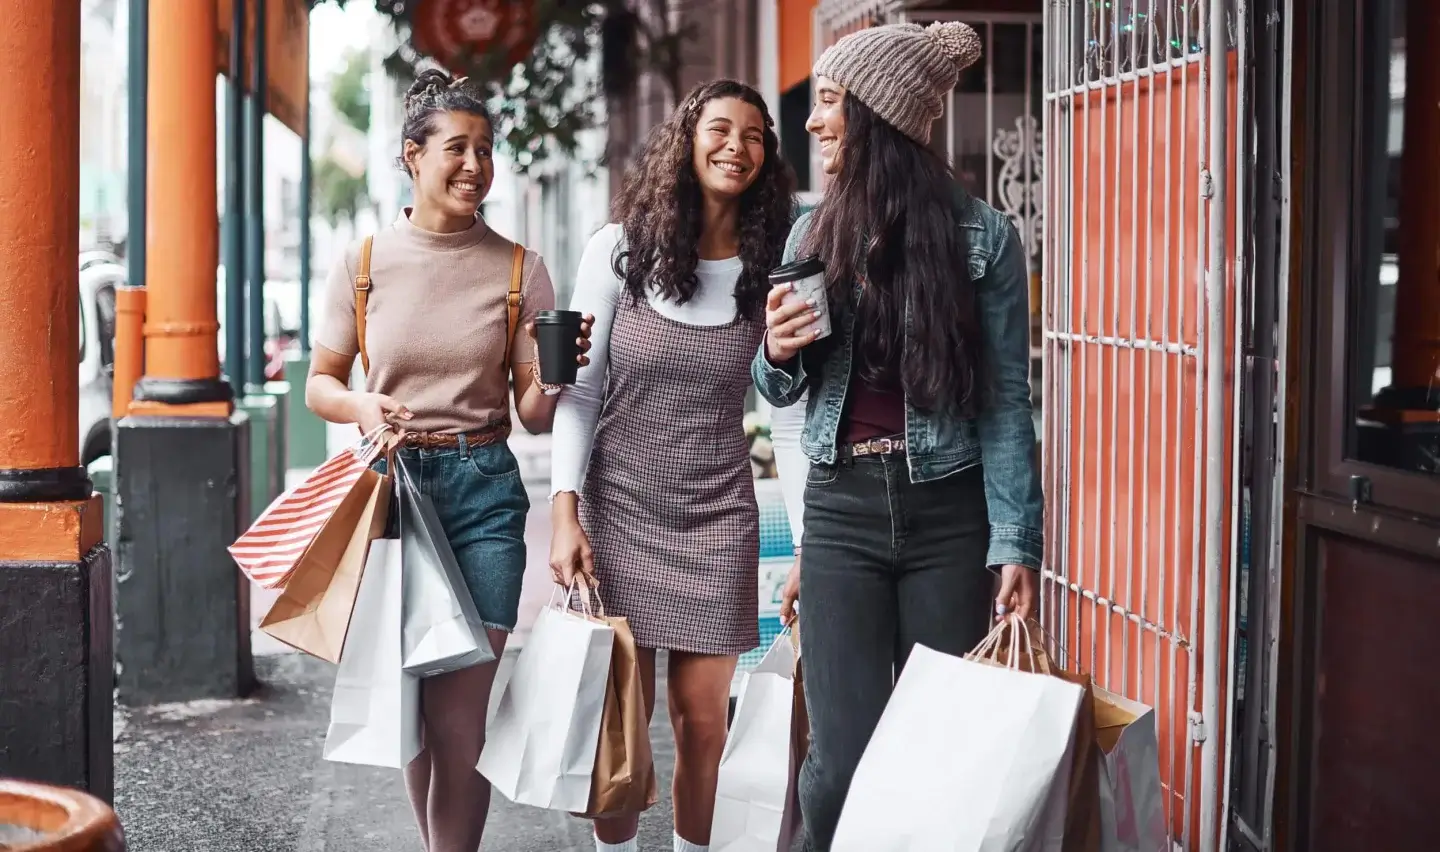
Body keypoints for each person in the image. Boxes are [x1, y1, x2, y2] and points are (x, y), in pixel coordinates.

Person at [752, 22, 1045, 850]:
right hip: (844, 512)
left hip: (947, 519)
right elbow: (781, 389)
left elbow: (1004, 404)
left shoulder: (985, 239)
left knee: (938, 748)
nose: (811, 121)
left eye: (831, 101)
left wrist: (1014, 544)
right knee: (841, 758)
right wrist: (774, 352)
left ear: (879, 114)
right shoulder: (813, 235)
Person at [306, 68, 591, 852]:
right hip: (393, 499)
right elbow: (319, 385)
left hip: (484, 495)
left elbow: (531, 415)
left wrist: (558, 376)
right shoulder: (362, 264)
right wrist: (365, 406)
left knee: (461, 714)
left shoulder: (518, 269)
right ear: (412, 156)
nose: (476, 166)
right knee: (417, 711)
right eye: (457, 149)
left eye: (486, 151)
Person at [548, 79, 796, 852]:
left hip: (719, 516)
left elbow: (786, 415)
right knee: (616, 721)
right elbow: (578, 393)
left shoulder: (775, 269)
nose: (736, 147)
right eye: (720, 129)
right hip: (617, 510)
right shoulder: (618, 252)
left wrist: (810, 546)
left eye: (755, 135)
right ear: (686, 142)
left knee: (702, 725)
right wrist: (564, 510)